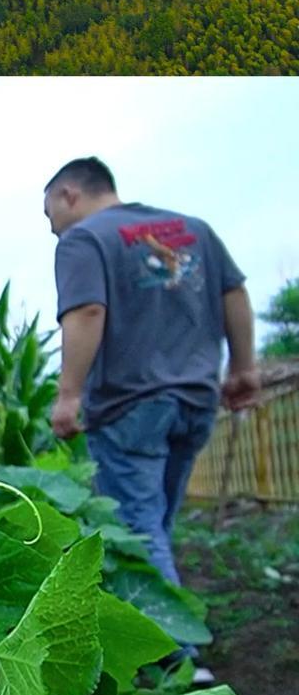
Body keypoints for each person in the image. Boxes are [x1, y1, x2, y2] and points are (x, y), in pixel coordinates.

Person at [45, 157, 262, 603]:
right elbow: (234, 293)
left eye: (50, 215)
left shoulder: (83, 240)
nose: (52, 229)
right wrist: (243, 370)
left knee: (138, 528)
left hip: (130, 405)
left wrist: (68, 396)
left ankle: (173, 657)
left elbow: (87, 311)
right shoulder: (195, 230)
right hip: (197, 400)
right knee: (156, 518)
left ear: (70, 194)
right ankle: (166, 628)